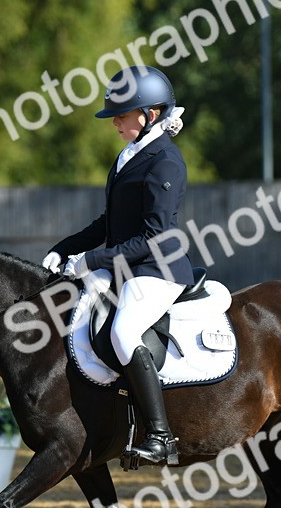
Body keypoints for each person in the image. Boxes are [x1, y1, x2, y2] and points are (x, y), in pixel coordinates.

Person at [42, 66, 194, 466]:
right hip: (127, 265)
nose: (115, 123)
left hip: (158, 269)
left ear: (151, 115)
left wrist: (91, 260)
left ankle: (161, 436)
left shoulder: (165, 162)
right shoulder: (132, 153)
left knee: (125, 331)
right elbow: (108, 225)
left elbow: (155, 237)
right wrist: (65, 249)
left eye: (122, 115)